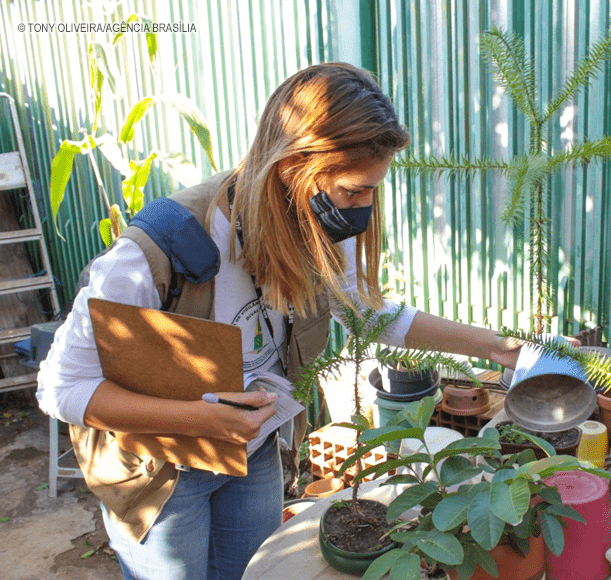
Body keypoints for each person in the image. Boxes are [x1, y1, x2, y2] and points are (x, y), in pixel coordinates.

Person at [36, 62, 520, 580]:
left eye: (372, 190)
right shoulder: (156, 252)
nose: (364, 208)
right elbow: (60, 388)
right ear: (292, 168)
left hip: (254, 451)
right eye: (353, 190)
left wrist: (495, 347)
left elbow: (369, 312)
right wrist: (203, 420)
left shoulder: (318, 223)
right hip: (163, 473)